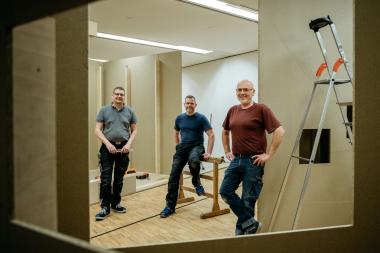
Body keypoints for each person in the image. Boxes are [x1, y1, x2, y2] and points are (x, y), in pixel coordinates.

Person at [219, 80, 285, 235]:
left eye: (246, 90)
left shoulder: (261, 109)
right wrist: (227, 150)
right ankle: (250, 224)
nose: (242, 93)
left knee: (248, 200)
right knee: (225, 191)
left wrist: (268, 154)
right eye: (239, 90)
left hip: (253, 162)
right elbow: (224, 131)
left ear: (253, 92)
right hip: (236, 160)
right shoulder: (233, 110)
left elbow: (280, 131)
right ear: (236, 92)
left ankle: (242, 237)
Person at [160, 95, 215, 218]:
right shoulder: (179, 118)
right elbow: (176, 131)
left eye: (192, 103)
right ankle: (170, 206)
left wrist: (209, 152)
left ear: (195, 105)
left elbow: (211, 134)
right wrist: (177, 145)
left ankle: (196, 181)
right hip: (182, 148)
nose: (189, 105)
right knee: (173, 176)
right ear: (184, 104)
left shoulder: (201, 118)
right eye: (187, 103)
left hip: (197, 147)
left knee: (194, 161)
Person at [94, 86, 138, 221]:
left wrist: (129, 144)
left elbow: (134, 130)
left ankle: (115, 203)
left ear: (124, 97)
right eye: (117, 94)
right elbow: (97, 129)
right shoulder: (104, 110)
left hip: (123, 148)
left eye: (122, 94)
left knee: (119, 179)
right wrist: (107, 144)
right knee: (106, 179)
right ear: (113, 96)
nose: (119, 96)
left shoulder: (130, 111)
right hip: (107, 148)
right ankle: (104, 207)